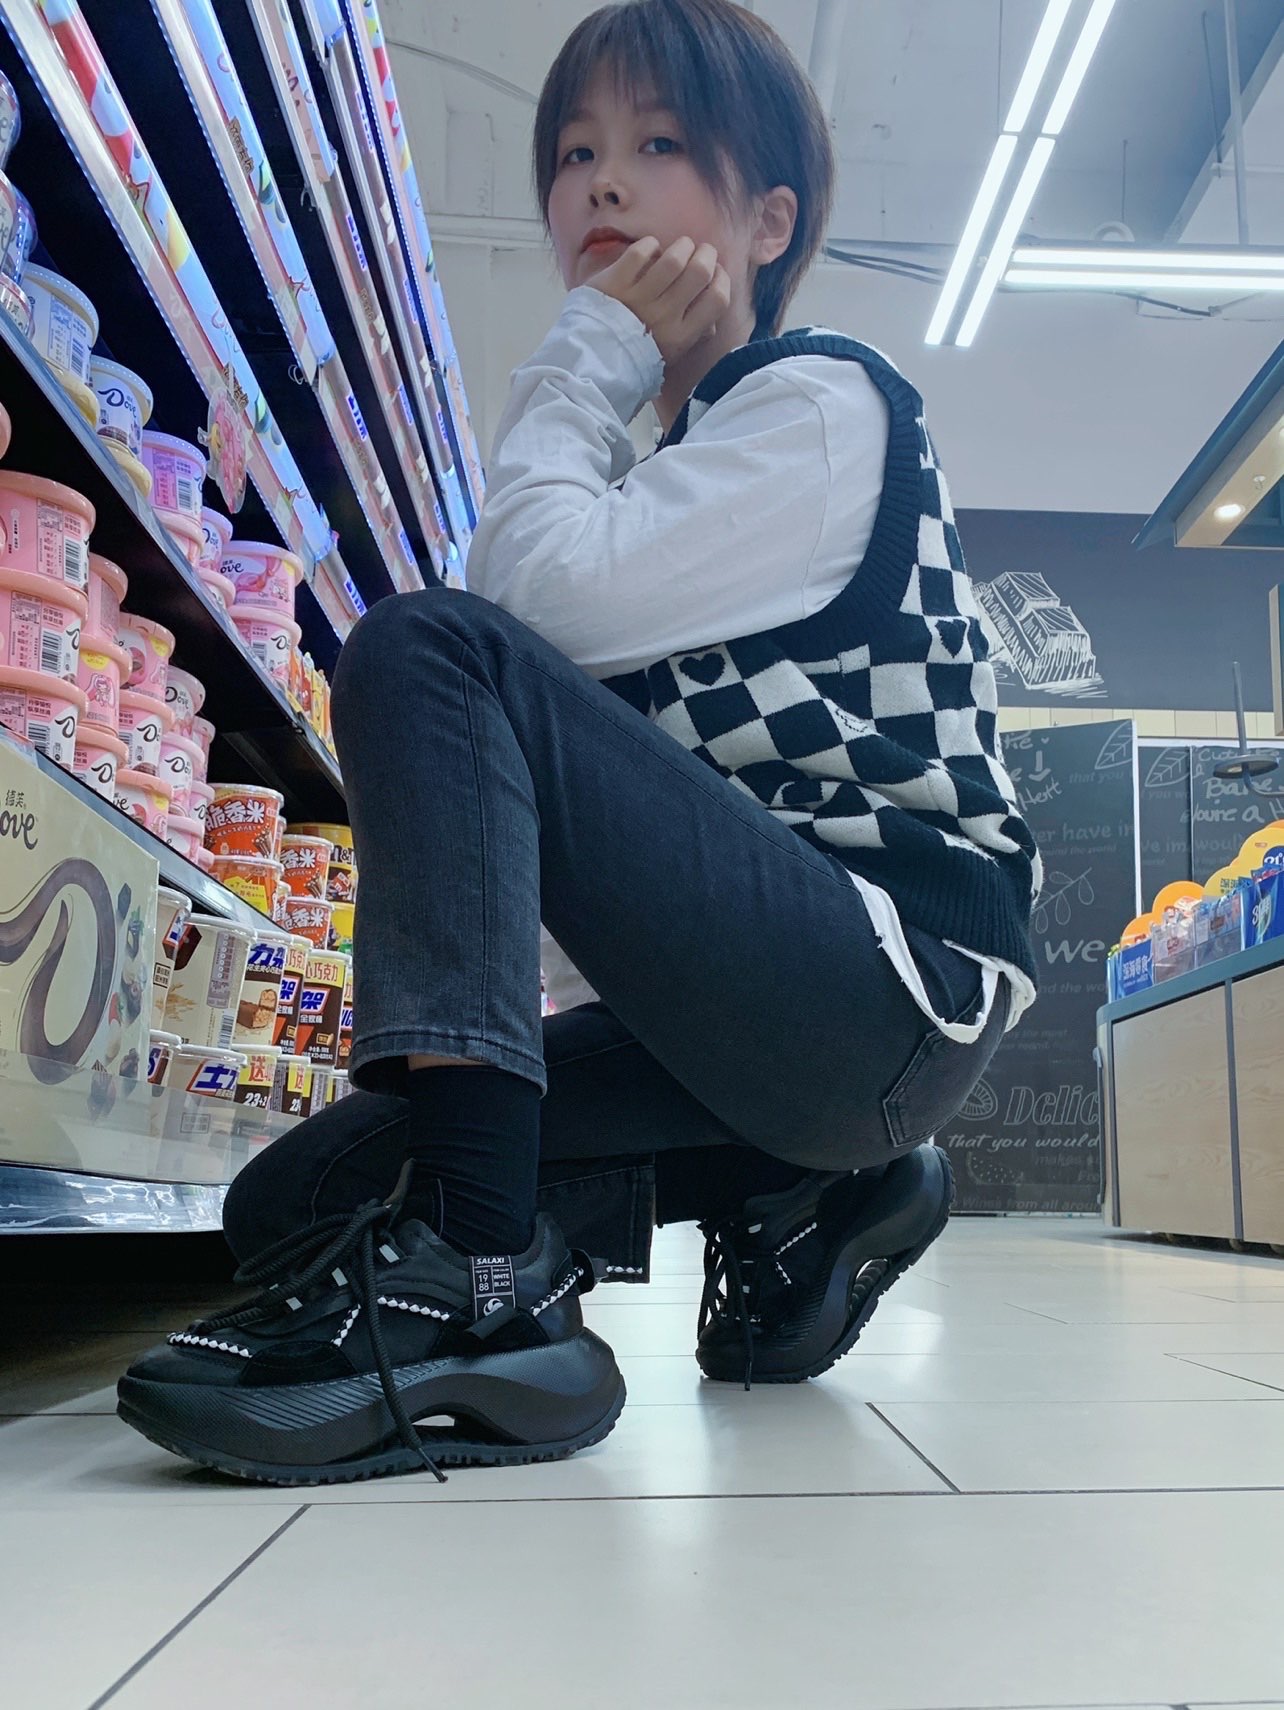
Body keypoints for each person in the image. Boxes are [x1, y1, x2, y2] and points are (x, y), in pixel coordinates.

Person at [117, 0, 1040, 1486]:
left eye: (660, 145)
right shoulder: (674, 475)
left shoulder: (813, 405)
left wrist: (592, 352)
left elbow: (515, 604)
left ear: (768, 221)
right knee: (294, 1207)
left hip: (889, 985)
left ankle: (481, 1284)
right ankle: (797, 1196)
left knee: (422, 644)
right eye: (574, 153)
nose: (602, 180)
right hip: (765, 1016)